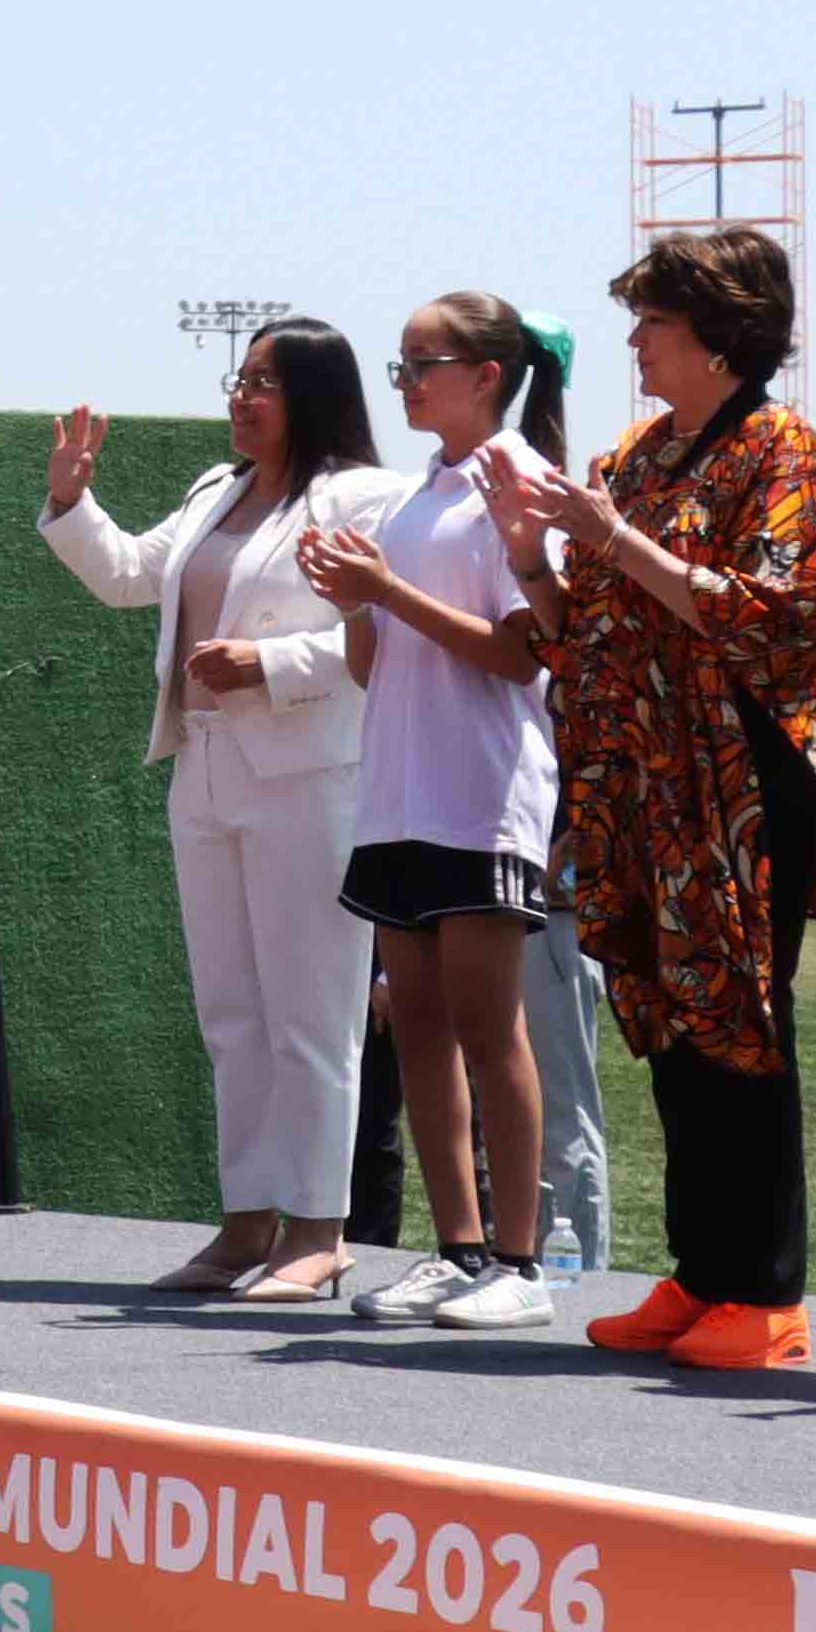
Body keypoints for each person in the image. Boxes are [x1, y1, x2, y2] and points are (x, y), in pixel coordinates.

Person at [497, 228, 816, 1373]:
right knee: (670, 1017)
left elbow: (769, 615)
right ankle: (702, 1273)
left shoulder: (787, 455)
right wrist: (531, 555)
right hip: (648, 782)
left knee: (739, 1014)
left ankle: (768, 1293)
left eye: (657, 321)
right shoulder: (639, 456)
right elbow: (573, 628)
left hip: (740, 779)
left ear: (722, 340)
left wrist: (615, 541)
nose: (637, 337)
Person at [44, 319, 387, 1302]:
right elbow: (125, 577)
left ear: (315, 395)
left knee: (311, 1012)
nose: (243, 396)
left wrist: (270, 665)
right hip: (201, 767)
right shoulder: (212, 491)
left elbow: (386, 627)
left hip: (307, 775)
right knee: (232, 1013)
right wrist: (72, 497)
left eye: (266, 382)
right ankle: (245, 1226)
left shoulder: (364, 496)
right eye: (240, 379)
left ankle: (318, 1232)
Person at [298, 293, 573, 1331]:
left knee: (486, 1025)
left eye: (426, 362)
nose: (405, 382)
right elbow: (376, 664)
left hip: (482, 791)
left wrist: (390, 591)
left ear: (489, 375)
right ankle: (456, 1250)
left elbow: (522, 654)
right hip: (400, 788)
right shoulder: (416, 497)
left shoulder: (522, 483)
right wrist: (356, 603)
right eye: (401, 362)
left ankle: (521, 1262)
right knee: (412, 1023)